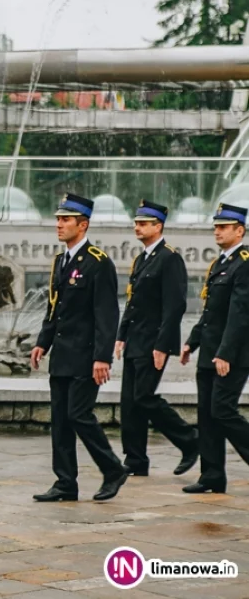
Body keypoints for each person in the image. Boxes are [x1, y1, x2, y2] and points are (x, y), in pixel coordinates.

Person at [30, 193, 127, 502]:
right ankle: (65, 483)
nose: (59, 224)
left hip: (86, 356)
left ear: (82, 225)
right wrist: (42, 342)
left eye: (66, 219)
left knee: (78, 414)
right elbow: (54, 309)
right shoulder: (61, 261)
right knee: (60, 420)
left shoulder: (98, 262)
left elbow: (107, 314)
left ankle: (113, 469)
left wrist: (102, 357)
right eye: (58, 219)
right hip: (62, 354)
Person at [115, 200, 198, 477]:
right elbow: (133, 302)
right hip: (135, 341)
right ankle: (135, 459)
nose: (137, 227)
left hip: (153, 343)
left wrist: (162, 345)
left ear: (158, 226)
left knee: (144, 397)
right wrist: (121, 335)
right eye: (136, 223)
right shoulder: (142, 259)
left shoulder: (169, 258)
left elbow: (175, 306)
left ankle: (189, 440)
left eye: (143, 223)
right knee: (130, 402)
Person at [180, 203, 249, 494]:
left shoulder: (244, 263)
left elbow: (240, 314)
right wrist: (192, 342)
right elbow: (211, 313)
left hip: (231, 355)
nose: (217, 231)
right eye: (216, 227)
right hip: (210, 351)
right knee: (207, 415)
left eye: (223, 227)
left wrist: (225, 353)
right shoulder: (220, 263)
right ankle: (212, 475)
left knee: (222, 410)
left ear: (239, 230)